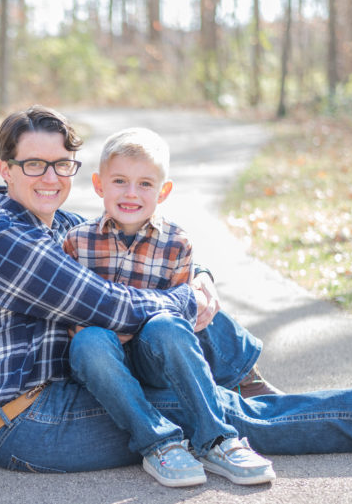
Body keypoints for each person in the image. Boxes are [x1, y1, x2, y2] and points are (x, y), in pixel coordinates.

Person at [0, 104, 352, 481]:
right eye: (34, 164)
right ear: (5, 170)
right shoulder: (4, 238)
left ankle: (242, 375)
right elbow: (112, 306)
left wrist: (201, 276)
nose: (50, 177)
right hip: (28, 421)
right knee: (223, 411)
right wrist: (187, 297)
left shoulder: (59, 225)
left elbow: (142, 256)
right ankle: (254, 393)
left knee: (181, 325)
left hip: (70, 390)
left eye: (61, 164)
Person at [62, 127, 273, 486]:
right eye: (119, 181)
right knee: (88, 340)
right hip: (104, 363)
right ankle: (159, 443)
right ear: (99, 185)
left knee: (168, 325)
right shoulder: (77, 241)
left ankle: (217, 438)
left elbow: (181, 319)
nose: (131, 193)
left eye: (145, 184)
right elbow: (74, 317)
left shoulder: (177, 243)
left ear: (163, 191)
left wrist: (143, 322)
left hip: (154, 358)